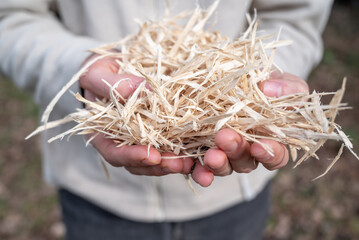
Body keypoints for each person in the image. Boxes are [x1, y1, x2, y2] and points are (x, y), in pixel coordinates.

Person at [0, 0, 333, 239]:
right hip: (97, 196)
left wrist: (263, 79)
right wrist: (79, 70)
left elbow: (294, 15)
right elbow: (12, 15)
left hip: (232, 198)